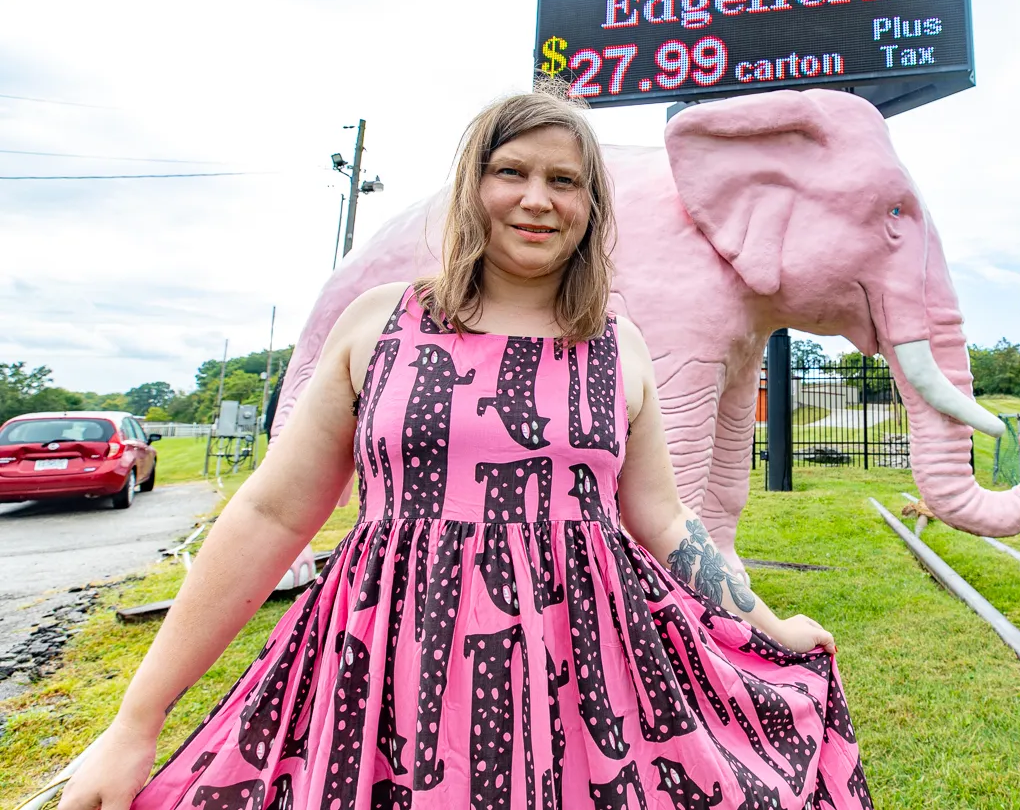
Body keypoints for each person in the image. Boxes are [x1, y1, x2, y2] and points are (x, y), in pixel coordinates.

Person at [60, 89, 872, 809]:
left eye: (565, 181)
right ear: (471, 186)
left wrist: (768, 622)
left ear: (591, 205)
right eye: (512, 171)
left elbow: (664, 519)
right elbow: (272, 513)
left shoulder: (619, 347)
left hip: (585, 680)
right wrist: (136, 721)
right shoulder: (380, 322)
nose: (537, 199)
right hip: (380, 674)